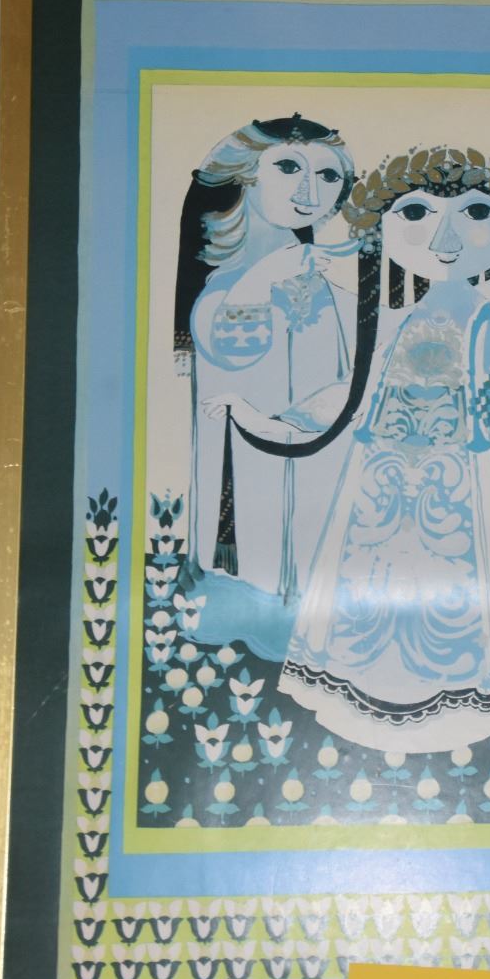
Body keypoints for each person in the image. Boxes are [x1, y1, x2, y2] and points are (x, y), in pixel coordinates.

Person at [268, 146, 490, 754]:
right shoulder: (397, 323)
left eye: (475, 214)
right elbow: (350, 393)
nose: (446, 238)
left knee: (477, 606)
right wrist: (271, 418)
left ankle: (469, 710)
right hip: (385, 490)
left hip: (478, 484)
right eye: (417, 215)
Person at [174, 115, 358, 621]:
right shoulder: (225, 282)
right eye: (288, 168)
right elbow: (232, 349)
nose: (309, 191)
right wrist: (263, 278)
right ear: (245, 177)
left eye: (328, 175)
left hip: (319, 451)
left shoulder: (330, 286)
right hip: (247, 463)